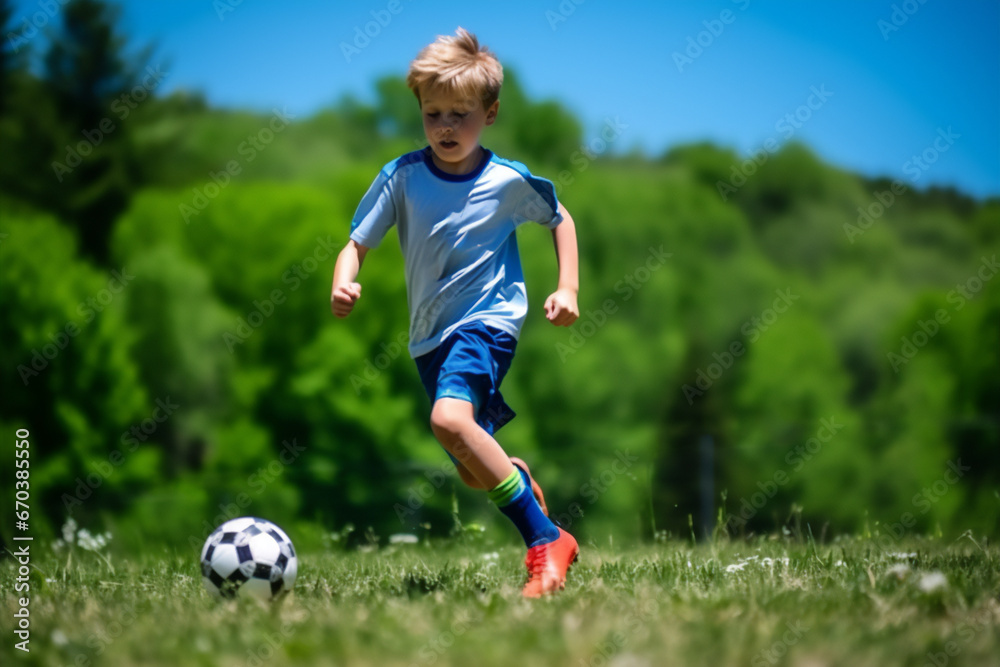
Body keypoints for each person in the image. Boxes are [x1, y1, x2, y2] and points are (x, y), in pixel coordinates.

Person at [330, 27, 580, 597]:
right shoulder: (402, 178)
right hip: (428, 339)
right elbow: (356, 244)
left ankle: (546, 541)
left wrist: (567, 288)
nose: (446, 126)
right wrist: (344, 283)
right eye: (434, 113)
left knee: (447, 421)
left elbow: (560, 219)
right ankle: (516, 479)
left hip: (488, 323)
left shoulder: (505, 181)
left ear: (489, 114)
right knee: (471, 465)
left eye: (461, 115)